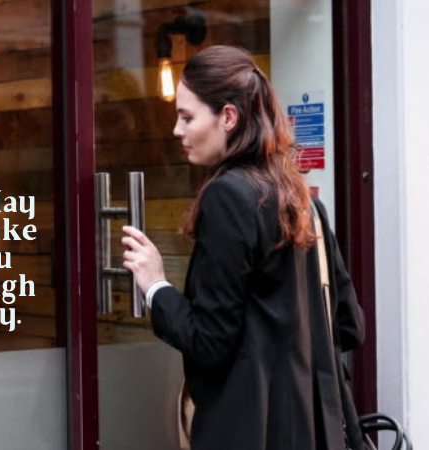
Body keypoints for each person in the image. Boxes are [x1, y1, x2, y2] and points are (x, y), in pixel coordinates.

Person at [120, 45, 365, 450]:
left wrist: (156, 286)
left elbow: (209, 342)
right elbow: (350, 325)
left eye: (187, 117)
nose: (177, 130)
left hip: (252, 431)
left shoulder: (228, 197)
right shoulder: (303, 200)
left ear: (229, 117)